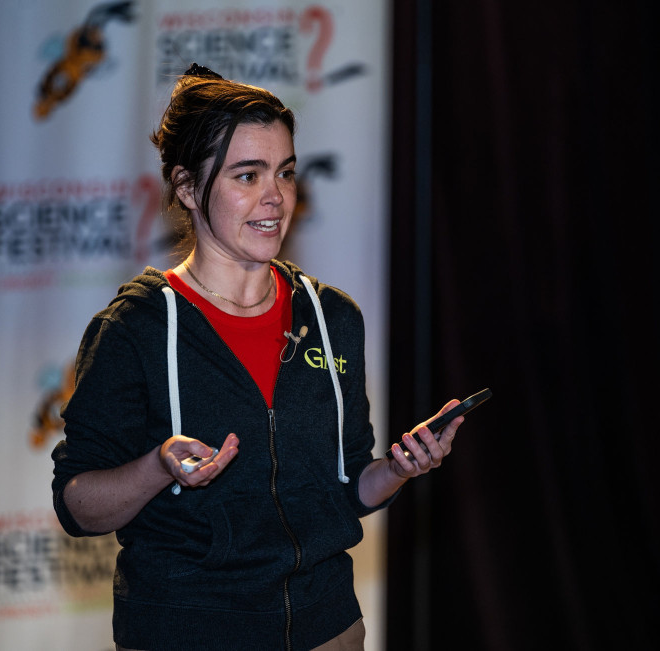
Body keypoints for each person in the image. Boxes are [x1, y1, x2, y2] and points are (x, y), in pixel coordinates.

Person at [52, 64, 467, 651]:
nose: (275, 197)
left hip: (328, 627)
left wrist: (397, 469)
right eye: (247, 175)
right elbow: (77, 506)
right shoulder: (137, 328)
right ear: (189, 189)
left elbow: (347, 488)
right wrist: (158, 466)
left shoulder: (333, 318)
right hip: (188, 630)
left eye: (286, 172)